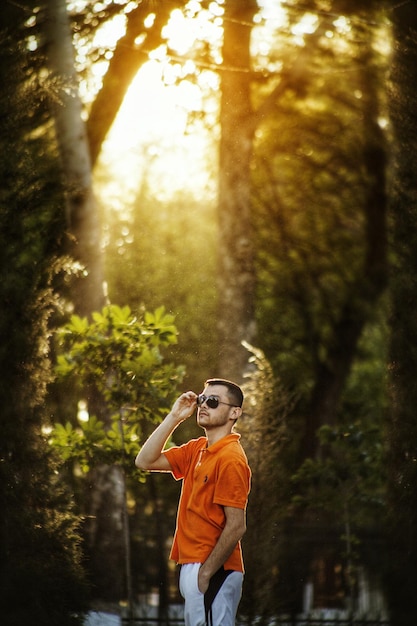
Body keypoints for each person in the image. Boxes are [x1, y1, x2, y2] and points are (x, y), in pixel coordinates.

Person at [135, 378, 251, 626]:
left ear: (234, 413)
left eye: (213, 401)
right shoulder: (197, 449)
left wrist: (206, 572)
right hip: (194, 566)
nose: (203, 405)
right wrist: (174, 417)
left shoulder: (231, 458)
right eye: (202, 399)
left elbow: (237, 525)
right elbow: (144, 461)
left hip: (215, 570)